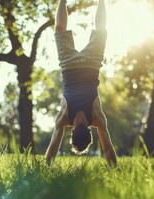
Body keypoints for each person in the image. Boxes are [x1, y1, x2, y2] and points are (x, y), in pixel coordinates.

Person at [45, 0, 117, 166]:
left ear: (91, 134)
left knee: (101, 29)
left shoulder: (97, 118)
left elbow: (107, 149)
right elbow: (52, 148)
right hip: (69, 65)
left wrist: (115, 169)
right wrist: (46, 167)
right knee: (60, 29)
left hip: (92, 64)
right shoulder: (64, 117)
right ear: (72, 133)